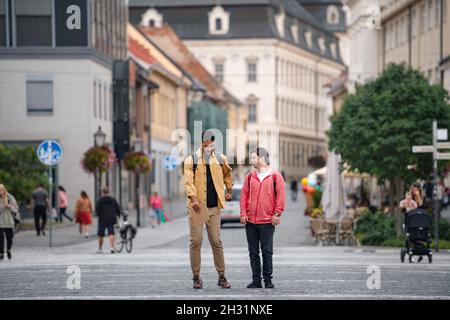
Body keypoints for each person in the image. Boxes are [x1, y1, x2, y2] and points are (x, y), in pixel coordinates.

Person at [184, 130, 233, 289]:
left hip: (214, 207)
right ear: (201, 143)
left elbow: (228, 174)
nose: (208, 146)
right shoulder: (191, 160)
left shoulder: (220, 159)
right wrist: (194, 198)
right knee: (196, 241)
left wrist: (229, 190)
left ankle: (222, 276)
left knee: (216, 241)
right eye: (205, 144)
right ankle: (196, 277)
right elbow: (188, 182)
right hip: (197, 208)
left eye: (211, 144)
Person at [240, 147, 286, 289]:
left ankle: (268, 280)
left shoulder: (275, 176)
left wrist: (277, 213)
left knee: (266, 251)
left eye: (254, 157)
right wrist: (243, 213)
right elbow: (244, 196)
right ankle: (256, 280)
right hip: (250, 221)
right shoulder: (249, 177)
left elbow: (281, 196)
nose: (252, 160)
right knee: (253, 252)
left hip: (267, 221)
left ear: (262, 158)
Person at [95, 187, 121, 254]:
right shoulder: (113, 200)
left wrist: (98, 214)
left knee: (101, 234)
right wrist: (119, 214)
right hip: (111, 218)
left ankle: (100, 248)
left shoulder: (100, 200)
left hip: (102, 219)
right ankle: (112, 248)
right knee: (111, 233)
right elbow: (117, 208)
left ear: (102, 193)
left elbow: (97, 209)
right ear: (108, 192)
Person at [0, 184, 19, 260]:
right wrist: (3, 207)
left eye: (1, 190)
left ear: (4, 190)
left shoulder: (10, 197)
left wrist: (10, 206)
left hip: (9, 221)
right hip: (0, 222)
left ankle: (8, 250)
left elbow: (16, 209)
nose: (0, 192)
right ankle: (1, 253)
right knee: (0, 238)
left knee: (10, 238)